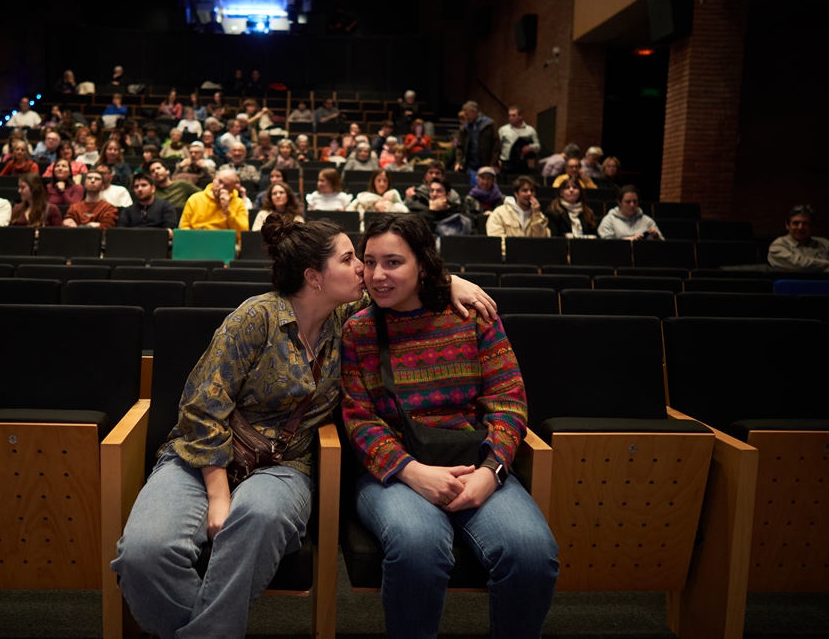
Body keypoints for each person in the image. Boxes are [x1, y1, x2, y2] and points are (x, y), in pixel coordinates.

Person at [110, 214, 496, 639]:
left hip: (284, 465)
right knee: (142, 556)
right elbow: (201, 409)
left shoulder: (347, 317)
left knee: (256, 519)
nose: (364, 270)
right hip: (202, 457)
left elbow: (402, 280)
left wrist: (451, 280)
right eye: (351, 259)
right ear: (314, 276)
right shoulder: (255, 318)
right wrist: (219, 496)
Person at [341, 213, 558, 639]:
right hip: (393, 474)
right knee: (419, 547)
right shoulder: (357, 329)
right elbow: (359, 419)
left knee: (532, 553)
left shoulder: (472, 315)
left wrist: (491, 473)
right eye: (369, 262)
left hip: (472, 462)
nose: (377, 275)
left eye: (393, 262)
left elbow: (508, 401)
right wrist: (413, 473)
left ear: (423, 264)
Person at [179, 167, 249, 237]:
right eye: (220, 181)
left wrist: (227, 210)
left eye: (227, 186)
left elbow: (243, 233)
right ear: (214, 179)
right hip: (196, 240)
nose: (221, 187)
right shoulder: (195, 199)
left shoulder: (238, 203)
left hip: (224, 242)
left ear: (233, 188)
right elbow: (183, 227)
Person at [485, 176, 550, 250]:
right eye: (525, 190)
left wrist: (536, 216)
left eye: (532, 191)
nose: (529, 194)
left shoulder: (539, 216)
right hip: (507, 258)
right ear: (516, 193)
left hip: (533, 258)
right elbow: (496, 240)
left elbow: (543, 242)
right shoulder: (500, 213)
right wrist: (517, 252)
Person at [768, 204, 829, 272]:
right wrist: (826, 264)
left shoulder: (824, 243)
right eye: (795, 223)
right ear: (787, 225)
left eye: (805, 223)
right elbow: (800, 265)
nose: (800, 227)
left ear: (812, 226)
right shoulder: (778, 245)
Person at [117, 171, 179, 236]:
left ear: (153, 188)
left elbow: (171, 232)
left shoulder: (165, 207)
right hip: (133, 243)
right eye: (136, 186)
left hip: (158, 243)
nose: (139, 189)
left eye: (144, 185)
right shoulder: (128, 211)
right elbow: (120, 233)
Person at [455, 101, 499, 185]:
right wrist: (458, 162)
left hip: (486, 163)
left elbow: (496, 145)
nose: (466, 117)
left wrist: (493, 163)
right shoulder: (465, 127)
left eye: (467, 114)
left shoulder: (488, 124)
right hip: (470, 164)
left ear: (475, 111)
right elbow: (460, 146)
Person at [597, 185, 663, 240]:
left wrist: (656, 237)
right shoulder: (609, 220)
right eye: (628, 202)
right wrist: (628, 240)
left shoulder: (647, 220)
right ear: (619, 202)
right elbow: (606, 245)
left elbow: (662, 245)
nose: (632, 205)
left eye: (635, 201)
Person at [497, 106, 541, 175]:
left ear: (521, 116)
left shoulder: (530, 130)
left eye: (513, 115)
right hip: (506, 162)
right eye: (509, 115)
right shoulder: (503, 130)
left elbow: (538, 146)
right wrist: (497, 161)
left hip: (522, 162)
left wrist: (530, 147)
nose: (511, 117)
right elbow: (497, 146)